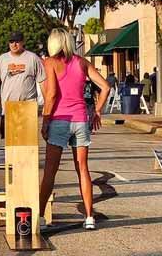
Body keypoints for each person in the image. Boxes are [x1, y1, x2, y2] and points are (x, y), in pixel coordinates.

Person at [39, 28, 111, 231]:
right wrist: (96, 111)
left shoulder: (50, 63)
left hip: (60, 120)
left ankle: (40, 216)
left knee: (50, 172)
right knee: (82, 169)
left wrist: (45, 121)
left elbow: (51, 94)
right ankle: (89, 217)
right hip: (80, 120)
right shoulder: (81, 62)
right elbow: (105, 87)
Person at [0, 31, 46, 141]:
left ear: (23, 42)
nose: (14, 44)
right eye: (11, 42)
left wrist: (47, 103)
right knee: (11, 143)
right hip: (8, 108)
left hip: (28, 107)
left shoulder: (33, 58)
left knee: (27, 142)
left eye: (17, 41)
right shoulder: (2, 59)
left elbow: (43, 82)